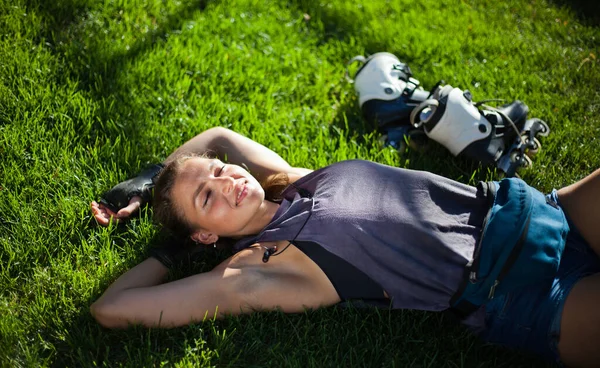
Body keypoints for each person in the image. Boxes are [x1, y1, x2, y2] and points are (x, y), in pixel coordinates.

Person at [90, 127, 600, 368]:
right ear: (205, 235)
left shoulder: (293, 180)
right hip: (525, 295)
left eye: (221, 172)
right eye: (207, 198)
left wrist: (148, 179)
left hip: (544, 211)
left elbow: (219, 135)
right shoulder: (258, 269)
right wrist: (169, 250)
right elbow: (111, 309)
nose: (227, 183)